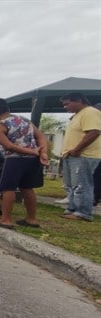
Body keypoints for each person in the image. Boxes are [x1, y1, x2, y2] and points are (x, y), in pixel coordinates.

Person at [0, 98, 49, 229]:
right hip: (32, 160)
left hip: (14, 159)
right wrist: (43, 152)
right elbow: (41, 136)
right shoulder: (24, 120)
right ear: (8, 109)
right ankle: (31, 219)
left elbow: (9, 146)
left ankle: (6, 220)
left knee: (8, 188)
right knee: (27, 187)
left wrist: (32, 151)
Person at [59, 93, 101, 222]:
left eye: (67, 103)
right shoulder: (77, 115)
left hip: (83, 155)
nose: (65, 107)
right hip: (70, 155)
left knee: (81, 184)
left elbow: (94, 131)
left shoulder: (90, 112)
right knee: (70, 185)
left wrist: (77, 149)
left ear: (79, 100)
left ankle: (83, 212)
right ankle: (72, 208)